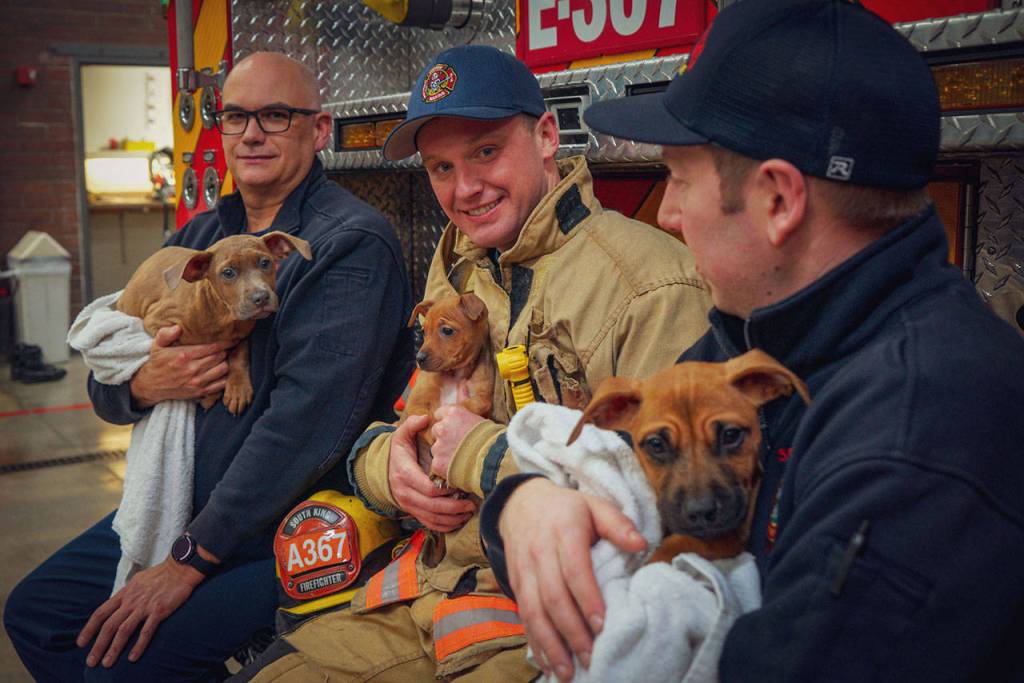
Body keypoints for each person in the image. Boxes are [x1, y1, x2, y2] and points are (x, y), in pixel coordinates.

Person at [479, 1, 1024, 681]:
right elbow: (616, 459)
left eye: (678, 178)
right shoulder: (764, 327)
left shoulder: (920, 436)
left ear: (778, 200)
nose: (669, 214)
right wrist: (522, 506)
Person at [242, 44, 711, 681]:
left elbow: (667, 499)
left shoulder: (651, 286)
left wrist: (478, 455)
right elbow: (409, 415)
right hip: (421, 595)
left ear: (547, 136)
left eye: (486, 152)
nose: (464, 190)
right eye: (440, 167)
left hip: (542, 618)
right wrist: (390, 469)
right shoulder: (460, 264)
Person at [3, 52, 414, 681]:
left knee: (124, 667)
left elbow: (304, 427)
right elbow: (110, 369)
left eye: (276, 116)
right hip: (179, 501)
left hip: (282, 526)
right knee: (36, 613)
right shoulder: (200, 235)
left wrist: (190, 557)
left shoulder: (348, 244)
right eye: (236, 117)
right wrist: (142, 386)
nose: (251, 133)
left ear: (319, 129)